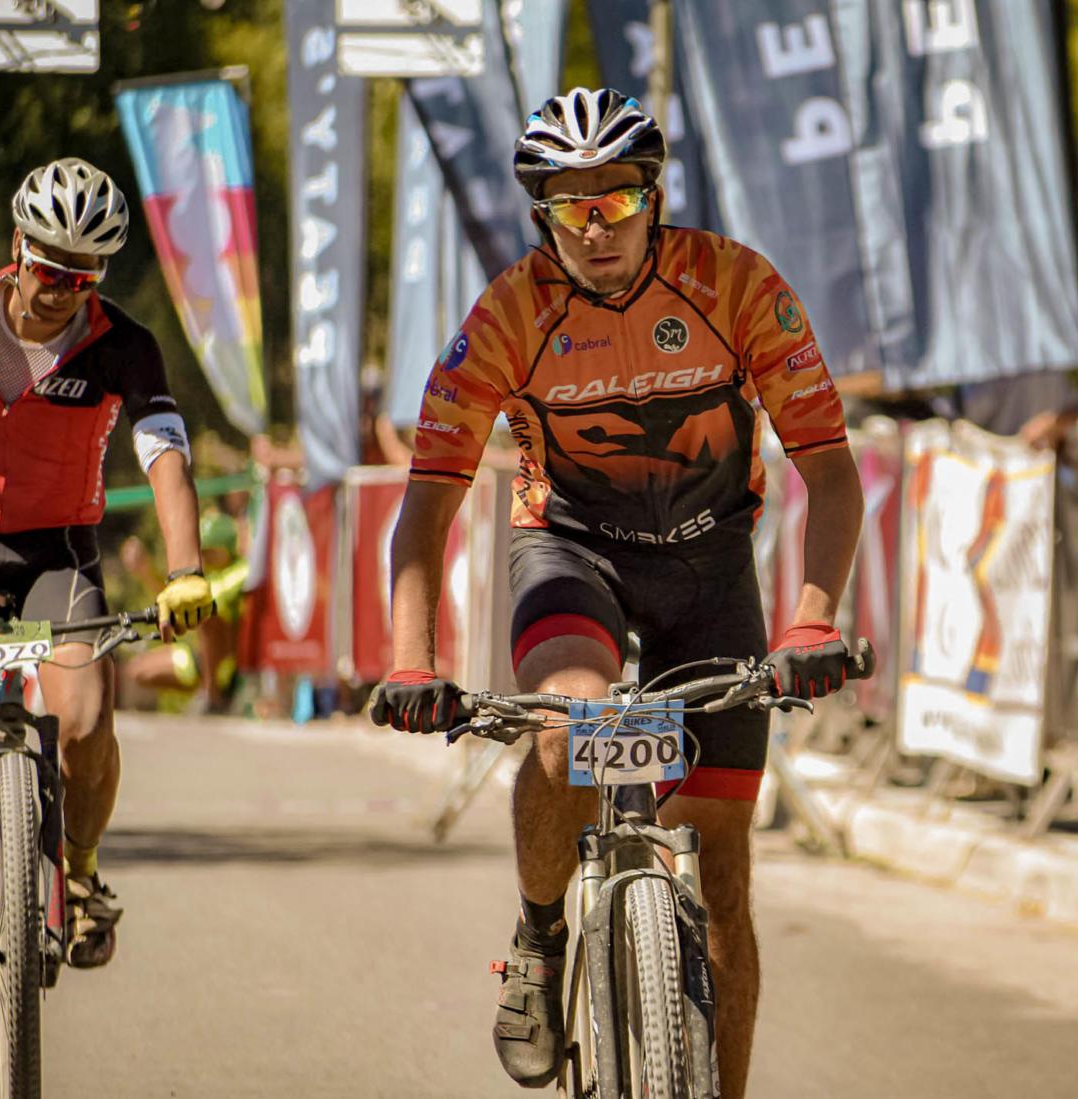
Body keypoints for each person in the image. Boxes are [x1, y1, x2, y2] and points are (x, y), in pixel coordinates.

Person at [370, 88, 865, 1096]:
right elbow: (426, 504)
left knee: (724, 879)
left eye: (617, 202)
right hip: (572, 552)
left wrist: (813, 620)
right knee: (570, 726)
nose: (596, 228)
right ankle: (541, 935)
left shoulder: (735, 286)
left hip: (708, 568)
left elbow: (831, 467)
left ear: (654, 198)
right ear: (542, 216)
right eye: (571, 207)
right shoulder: (509, 315)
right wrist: (412, 662)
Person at [0, 157, 214, 998]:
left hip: (57, 557)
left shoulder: (124, 346)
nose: (60, 292)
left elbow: (166, 458)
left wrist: (185, 570)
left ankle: (79, 876)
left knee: (83, 717)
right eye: (48, 271)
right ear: (18, 246)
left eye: (81, 278)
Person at [118, 509, 248, 714]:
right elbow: (175, 604)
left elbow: (202, 602)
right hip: (202, 657)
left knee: (207, 614)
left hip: (231, 661)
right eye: (203, 551)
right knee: (137, 670)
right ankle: (208, 694)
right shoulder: (205, 573)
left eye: (212, 550)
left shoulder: (241, 571)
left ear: (227, 548)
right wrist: (145, 572)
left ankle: (213, 698)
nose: (205, 556)